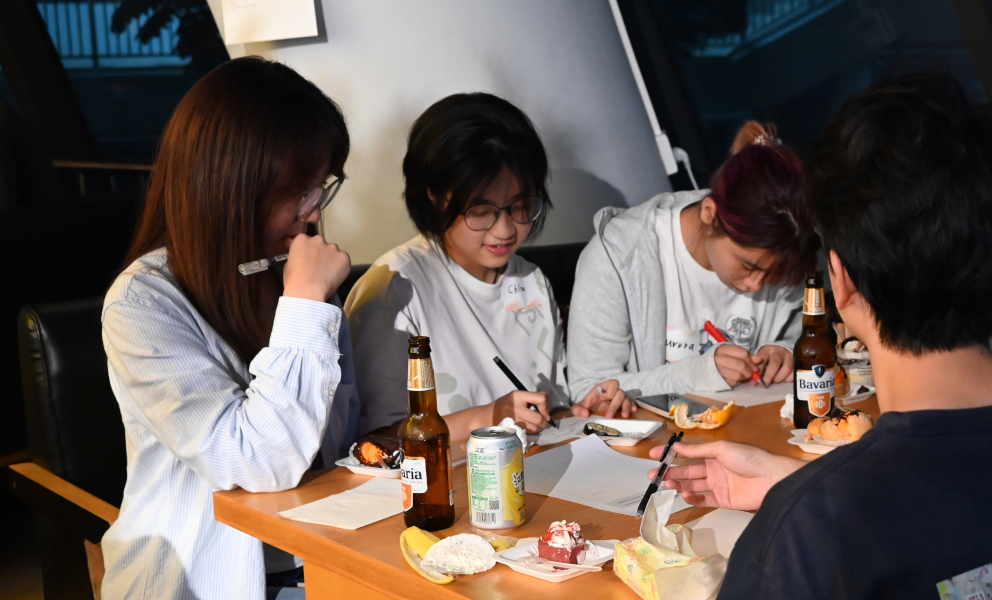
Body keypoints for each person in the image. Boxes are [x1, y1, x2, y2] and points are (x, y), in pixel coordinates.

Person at [652, 74, 992, 598]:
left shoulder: (809, 534)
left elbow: (918, 492)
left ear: (842, 280)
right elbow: (972, 486)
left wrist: (809, 499)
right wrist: (802, 484)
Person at [100, 57, 355, 599]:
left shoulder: (289, 275)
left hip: (319, 560)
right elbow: (255, 460)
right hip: (201, 579)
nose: (312, 214)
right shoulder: (141, 305)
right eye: (299, 191)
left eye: (320, 187)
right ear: (234, 186)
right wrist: (307, 303)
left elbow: (339, 442)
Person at [346, 94, 628, 438]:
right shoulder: (395, 290)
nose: (505, 230)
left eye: (521, 206)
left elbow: (547, 412)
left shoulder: (530, 281)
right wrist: (492, 415)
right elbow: (374, 440)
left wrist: (582, 414)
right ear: (434, 196)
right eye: (481, 211)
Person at [568, 123, 818, 401]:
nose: (756, 284)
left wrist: (786, 349)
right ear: (709, 214)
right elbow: (588, 390)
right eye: (748, 266)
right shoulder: (618, 255)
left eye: (772, 273)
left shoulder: (789, 240)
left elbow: (809, 328)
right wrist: (695, 375)